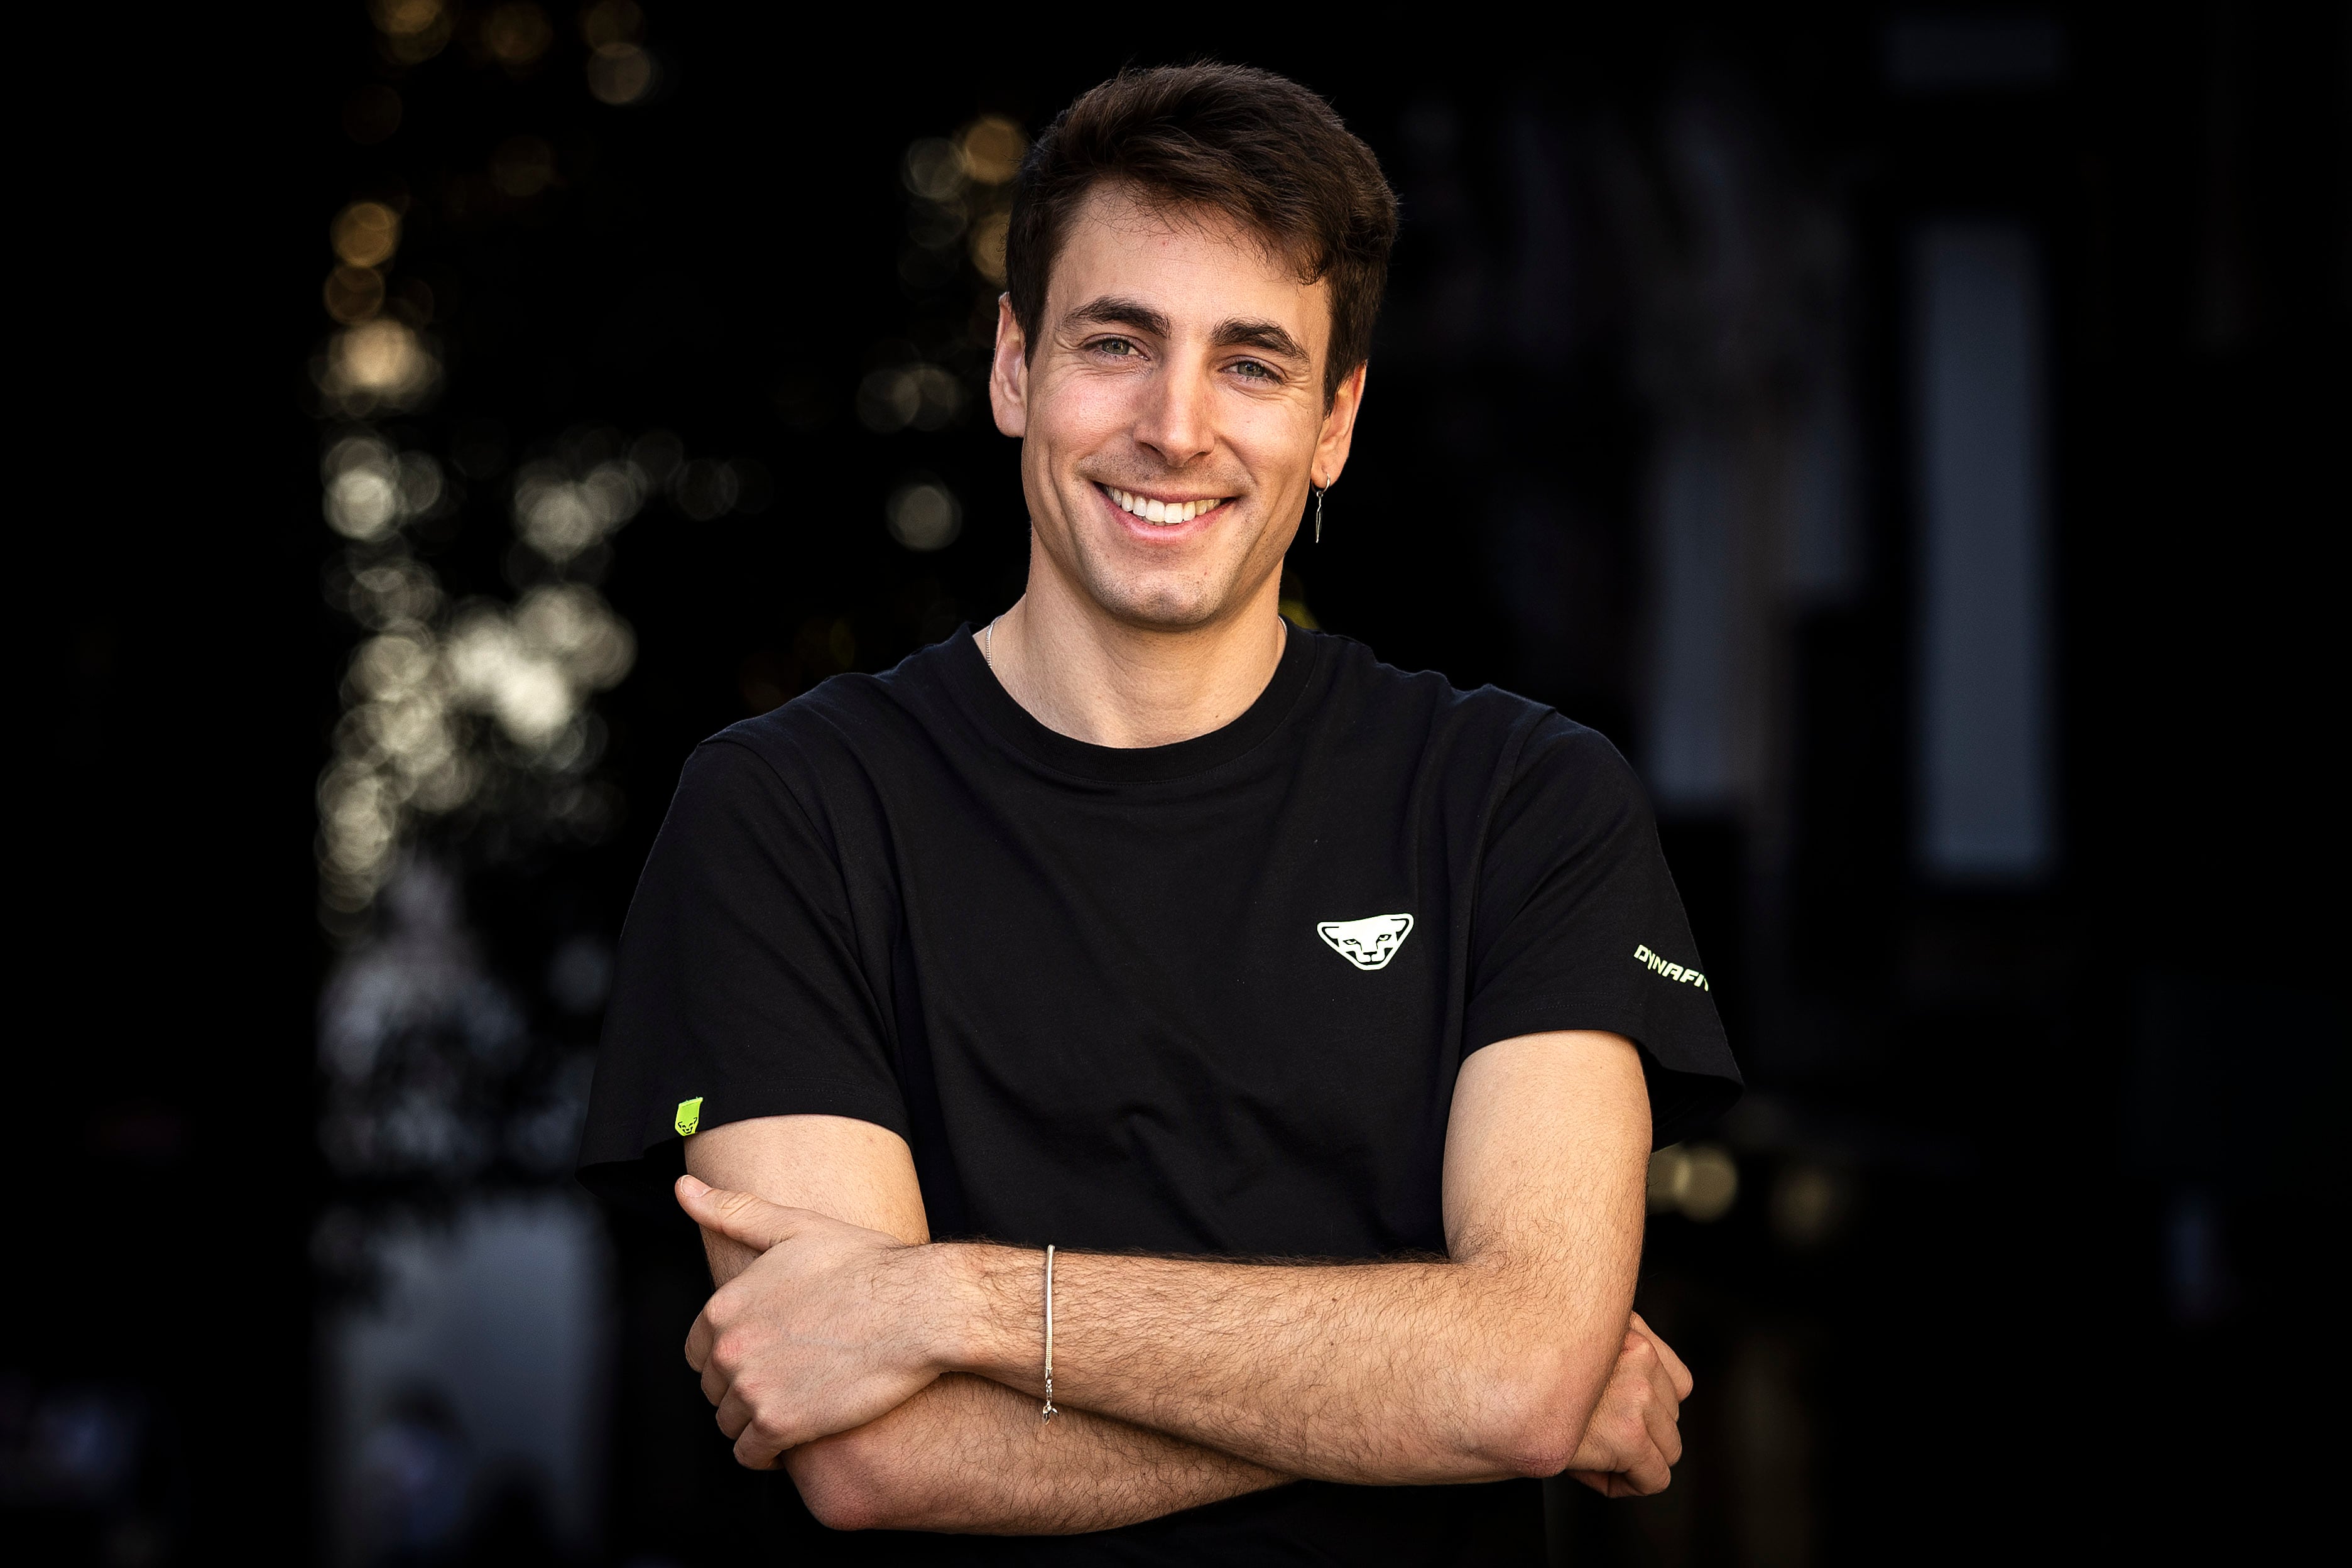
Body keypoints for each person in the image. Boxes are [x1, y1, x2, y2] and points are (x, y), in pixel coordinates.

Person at [580, 62, 1741, 1564]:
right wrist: (1431, 1386)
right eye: (1117, 343)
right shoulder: (787, 812)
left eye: (1253, 364)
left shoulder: (1518, 801)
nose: (1175, 426)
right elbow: (875, 1451)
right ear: (1013, 368)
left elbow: (1521, 1380)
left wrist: (956, 1302)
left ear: (1334, 423)